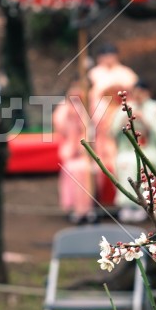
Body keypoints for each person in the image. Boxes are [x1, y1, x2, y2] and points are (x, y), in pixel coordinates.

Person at [112, 79, 156, 222]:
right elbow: (113, 131)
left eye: (142, 92)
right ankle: (127, 205)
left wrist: (145, 122)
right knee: (125, 162)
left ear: (148, 93)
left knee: (142, 164)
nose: (139, 95)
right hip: (128, 149)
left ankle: (143, 205)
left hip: (149, 149)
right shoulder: (124, 107)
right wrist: (124, 122)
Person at [53, 81, 96, 224]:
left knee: (86, 169)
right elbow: (60, 127)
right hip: (71, 149)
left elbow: (96, 129)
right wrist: (70, 117)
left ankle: (89, 208)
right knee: (73, 168)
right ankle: (76, 209)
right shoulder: (63, 108)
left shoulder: (92, 106)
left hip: (90, 150)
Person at [88, 42, 138, 112]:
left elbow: (135, 88)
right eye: (106, 56)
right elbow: (89, 92)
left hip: (123, 106)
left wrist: (118, 88)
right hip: (101, 107)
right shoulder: (94, 73)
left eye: (111, 55)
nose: (109, 58)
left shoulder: (126, 71)